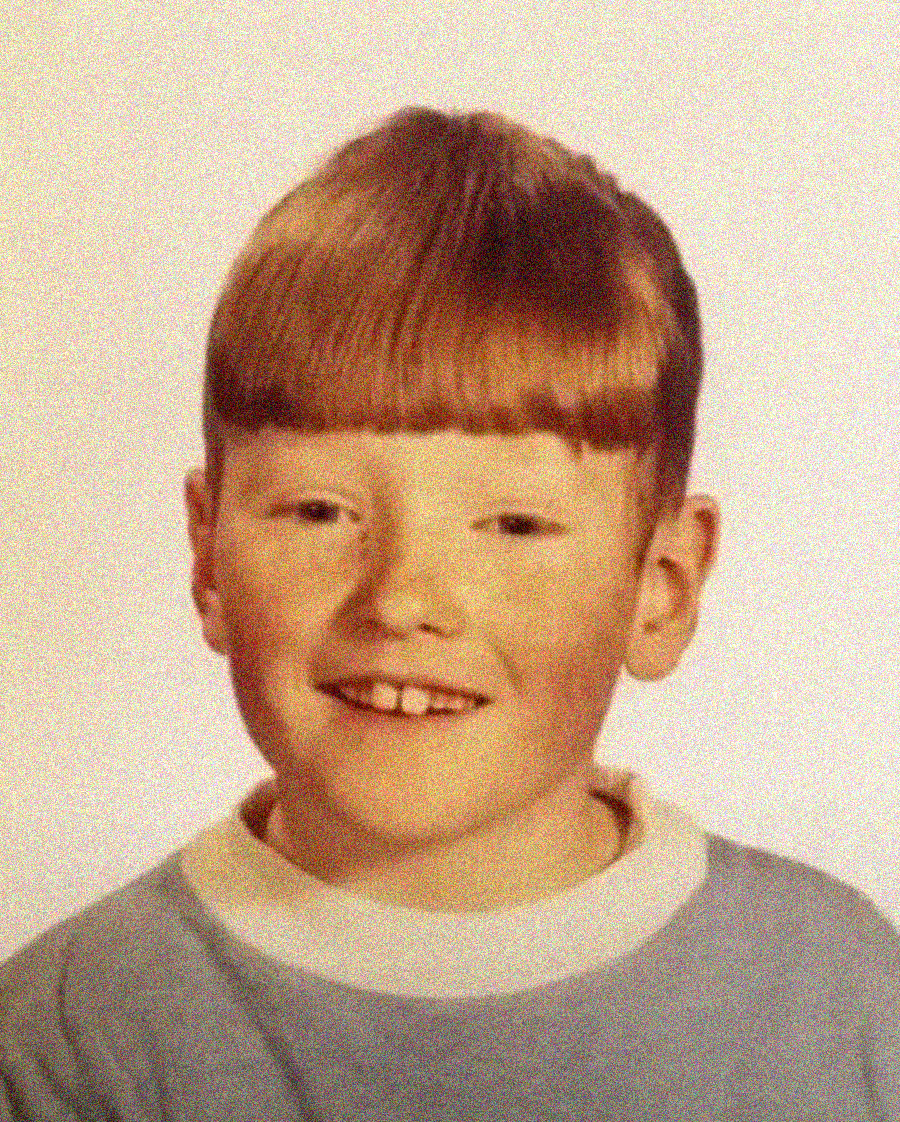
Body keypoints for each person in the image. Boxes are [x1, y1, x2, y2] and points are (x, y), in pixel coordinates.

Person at [2, 107, 897, 1121]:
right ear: (209, 556)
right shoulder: (69, 1046)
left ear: (664, 584)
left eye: (513, 524)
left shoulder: (846, 1000)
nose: (402, 598)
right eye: (321, 510)